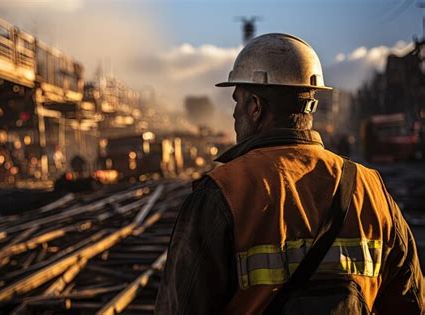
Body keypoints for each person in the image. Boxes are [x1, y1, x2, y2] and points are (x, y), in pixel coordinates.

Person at [154, 33, 424, 314]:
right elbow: (411, 302)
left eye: (238, 101)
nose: (234, 114)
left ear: (255, 107)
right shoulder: (368, 188)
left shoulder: (222, 192)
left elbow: (179, 307)